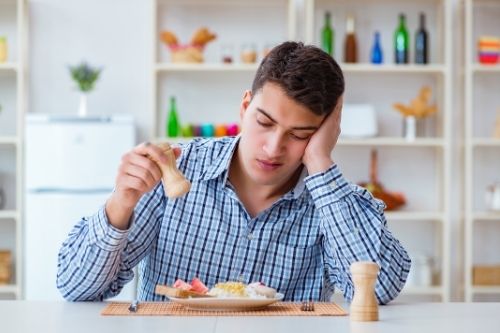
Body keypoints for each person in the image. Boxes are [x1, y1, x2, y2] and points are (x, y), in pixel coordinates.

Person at [57, 41, 410, 303]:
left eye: (299, 135)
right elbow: (75, 286)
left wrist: (319, 161)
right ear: (244, 106)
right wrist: (120, 204)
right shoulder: (174, 169)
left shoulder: (333, 202)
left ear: (324, 133)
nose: (273, 148)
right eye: (264, 122)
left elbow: (377, 291)